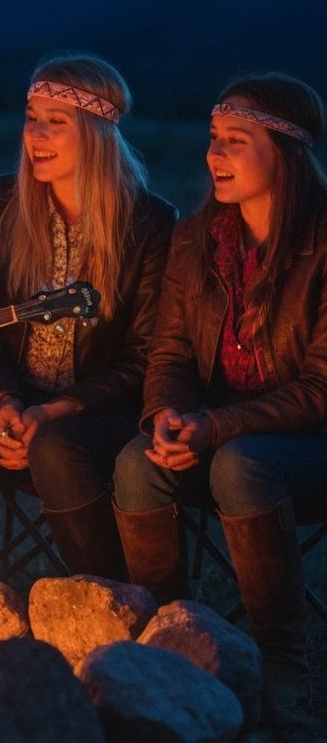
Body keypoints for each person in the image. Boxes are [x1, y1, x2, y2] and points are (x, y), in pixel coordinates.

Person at [113, 73, 327, 737]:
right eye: (213, 139)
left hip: (308, 443)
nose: (215, 155)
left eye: (237, 140)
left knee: (240, 465)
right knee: (135, 463)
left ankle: (281, 671)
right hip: (217, 432)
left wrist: (216, 426)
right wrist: (168, 418)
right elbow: (171, 352)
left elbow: (320, 387)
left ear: (286, 152)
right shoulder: (196, 238)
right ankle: (175, 648)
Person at [0, 54, 176, 579]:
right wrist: (7, 403)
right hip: (6, 403)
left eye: (55, 122)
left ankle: (109, 603)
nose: (35, 134)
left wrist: (52, 413)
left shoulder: (149, 223)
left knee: (57, 449)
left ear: (98, 133)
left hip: (98, 416)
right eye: (30, 116)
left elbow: (144, 359)